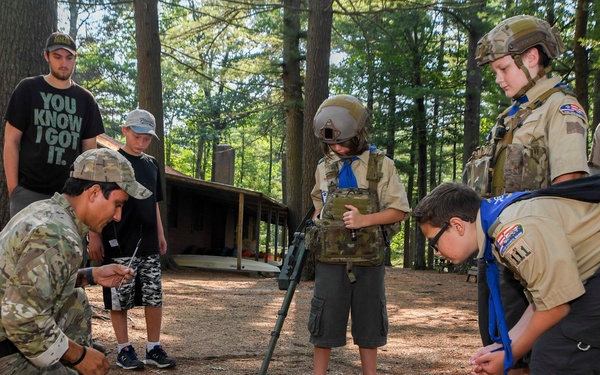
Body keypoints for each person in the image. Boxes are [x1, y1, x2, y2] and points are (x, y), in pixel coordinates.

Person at [463, 15, 589, 373]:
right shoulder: (511, 117)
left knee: (532, 352)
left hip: (539, 259)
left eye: (503, 68)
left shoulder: (561, 108)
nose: (498, 77)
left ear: (531, 58)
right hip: (503, 256)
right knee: (501, 348)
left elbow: (570, 189)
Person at [413, 182, 600, 375]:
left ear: (457, 225)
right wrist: (503, 346)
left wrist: (509, 356)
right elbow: (543, 299)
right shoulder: (498, 226)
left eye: (434, 243)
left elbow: (556, 307)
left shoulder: (513, 233)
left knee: (555, 356)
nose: (436, 253)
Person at [0, 148, 151, 374]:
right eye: (118, 204)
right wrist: (79, 356)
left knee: (77, 300)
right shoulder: (58, 236)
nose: (117, 216)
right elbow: (22, 320)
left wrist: (93, 275)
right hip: (9, 345)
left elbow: (33, 283)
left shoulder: (46, 211)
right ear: (94, 192)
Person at [306, 94, 410, 375]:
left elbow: (399, 211)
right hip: (330, 261)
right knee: (324, 322)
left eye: (342, 141)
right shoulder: (324, 167)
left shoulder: (381, 165)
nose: (337, 148)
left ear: (360, 134)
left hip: (369, 260)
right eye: (330, 143)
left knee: (369, 324)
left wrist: (366, 220)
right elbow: (319, 207)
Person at [88, 109, 175, 370]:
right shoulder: (110, 160)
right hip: (118, 239)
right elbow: (95, 200)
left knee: (153, 295)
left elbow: (155, 203)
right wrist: (94, 235)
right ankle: (123, 349)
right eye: (137, 136)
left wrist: (160, 234)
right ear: (125, 130)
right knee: (119, 296)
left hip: (148, 240)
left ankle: (153, 348)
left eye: (147, 139)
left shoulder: (152, 164)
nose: (141, 142)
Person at [3, 31, 105, 217]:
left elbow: (90, 154)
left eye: (69, 57)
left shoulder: (86, 100)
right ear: (46, 56)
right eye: (57, 57)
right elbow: (11, 141)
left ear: (75, 58)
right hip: (28, 193)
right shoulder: (28, 89)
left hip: (70, 197)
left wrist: (85, 196)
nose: (63, 63)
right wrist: (14, 191)